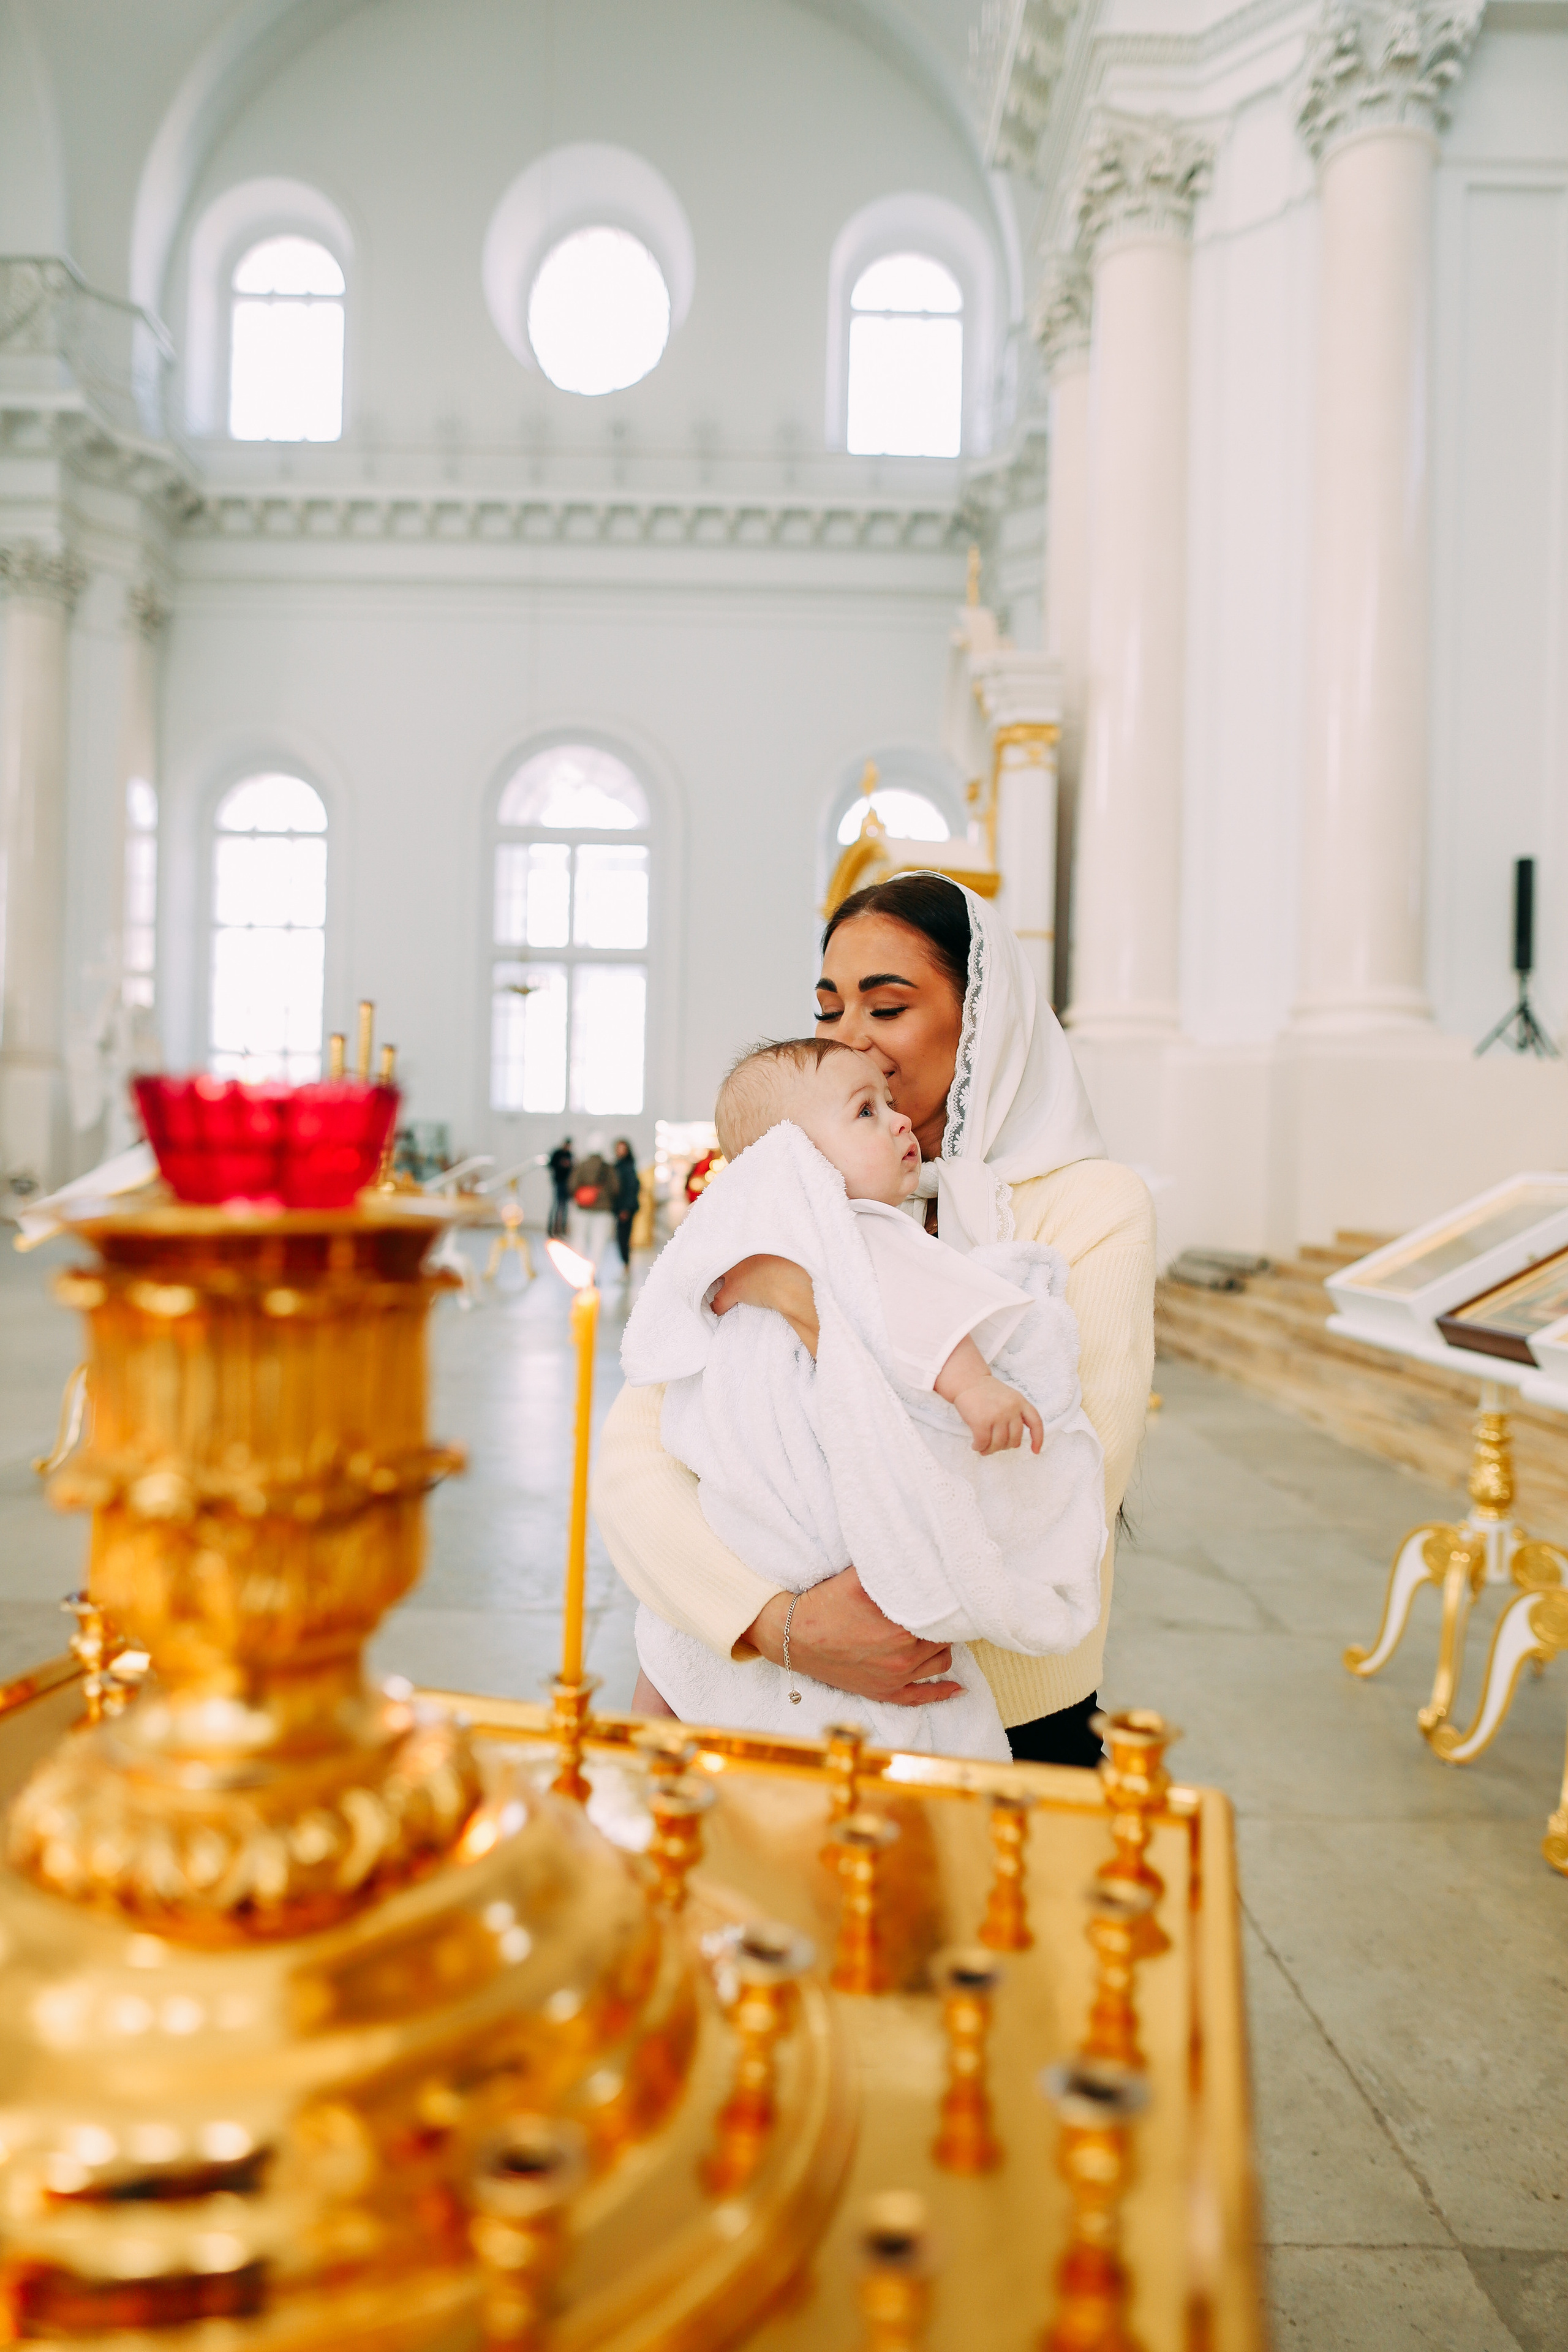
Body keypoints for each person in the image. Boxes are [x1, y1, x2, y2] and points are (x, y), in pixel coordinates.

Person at [592, 872, 1156, 1770]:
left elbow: (1064, 1462)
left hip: (999, 1703)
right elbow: (639, 1453)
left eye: (886, 1007)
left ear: (982, 1019)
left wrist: (812, 1312)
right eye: (828, 1008)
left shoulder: (1091, 1205)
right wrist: (780, 1625)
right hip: (770, 1689)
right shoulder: (783, 1195)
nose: (849, 1037)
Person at [622, 1039, 1104, 1757]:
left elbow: (929, 1317)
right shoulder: (846, 1234)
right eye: (866, 1112)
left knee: (675, 1653)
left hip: (790, 1529)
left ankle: (641, 1769)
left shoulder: (830, 1241)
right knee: (677, 1639)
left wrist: (971, 1387)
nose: (899, 1121)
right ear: (795, 1162)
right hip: (763, 1508)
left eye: (888, 1103)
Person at [611, 1138, 642, 1272]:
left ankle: (626, 1265)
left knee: (623, 1239)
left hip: (625, 1209)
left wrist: (626, 1209)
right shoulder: (618, 1166)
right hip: (620, 1208)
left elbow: (632, 1188)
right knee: (621, 1238)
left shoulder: (627, 1167)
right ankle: (625, 1265)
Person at [547, 1137, 574, 1240]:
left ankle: (561, 1229)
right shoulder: (557, 1153)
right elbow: (551, 1165)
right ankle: (552, 1229)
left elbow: (573, 1168)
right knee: (556, 1206)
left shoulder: (570, 1155)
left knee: (565, 1207)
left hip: (567, 1184)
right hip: (559, 1183)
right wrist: (561, 1164)